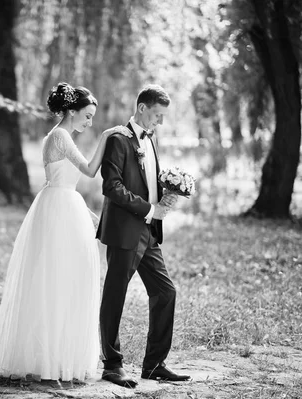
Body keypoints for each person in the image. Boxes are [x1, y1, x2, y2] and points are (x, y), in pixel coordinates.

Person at [0, 82, 126, 382]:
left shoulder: (55, 135)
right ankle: (53, 361)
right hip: (61, 208)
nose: (89, 122)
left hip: (60, 202)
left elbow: (66, 181)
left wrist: (89, 214)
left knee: (58, 280)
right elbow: (89, 170)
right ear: (72, 112)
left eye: (92, 119)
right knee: (61, 280)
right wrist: (105, 137)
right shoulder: (61, 135)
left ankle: (54, 358)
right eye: (87, 116)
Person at [96, 84, 190, 388]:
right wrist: (149, 209)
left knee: (166, 292)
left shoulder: (151, 141)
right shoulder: (118, 140)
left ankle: (154, 365)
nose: (159, 122)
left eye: (163, 117)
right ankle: (112, 365)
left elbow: (147, 181)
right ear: (142, 109)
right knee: (115, 296)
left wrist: (171, 192)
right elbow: (112, 187)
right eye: (157, 115)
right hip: (125, 230)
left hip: (148, 233)